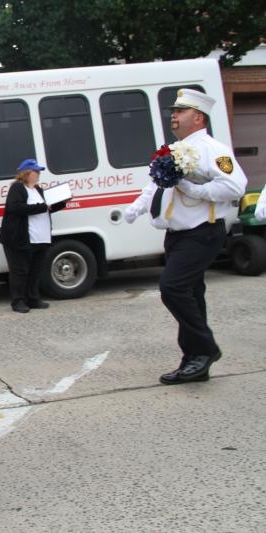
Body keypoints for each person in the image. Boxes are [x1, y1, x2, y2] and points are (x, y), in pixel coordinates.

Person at [124, 88, 247, 385]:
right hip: (178, 235)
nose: (174, 116)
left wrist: (197, 190)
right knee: (192, 293)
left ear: (198, 117)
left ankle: (206, 348)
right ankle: (194, 360)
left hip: (202, 232)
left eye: (180, 111)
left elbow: (236, 186)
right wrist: (137, 207)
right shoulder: (174, 149)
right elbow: (156, 185)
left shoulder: (211, 149)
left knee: (172, 288)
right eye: (174, 112)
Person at [0, 159, 67, 313]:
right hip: (20, 238)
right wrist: (43, 207)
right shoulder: (17, 188)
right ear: (26, 173)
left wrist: (61, 203)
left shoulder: (38, 190)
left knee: (35, 270)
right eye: (36, 171)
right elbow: (16, 207)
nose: (39, 174)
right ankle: (18, 301)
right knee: (20, 271)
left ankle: (33, 298)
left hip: (40, 238)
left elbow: (46, 208)